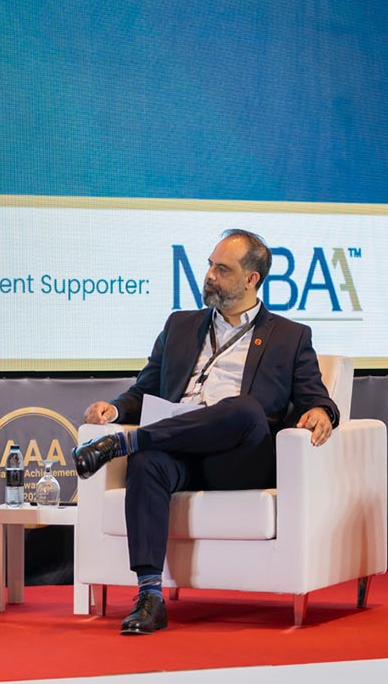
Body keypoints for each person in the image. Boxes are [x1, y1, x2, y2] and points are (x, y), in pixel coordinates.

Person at [74, 229, 338, 635]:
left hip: (238, 457)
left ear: (252, 279)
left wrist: (322, 410)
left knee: (245, 410)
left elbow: (313, 395)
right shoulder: (180, 325)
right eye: (210, 265)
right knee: (146, 463)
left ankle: (126, 442)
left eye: (222, 269)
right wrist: (115, 408)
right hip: (177, 449)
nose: (210, 276)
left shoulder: (290, 336)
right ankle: (149, 596)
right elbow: (144, 389)